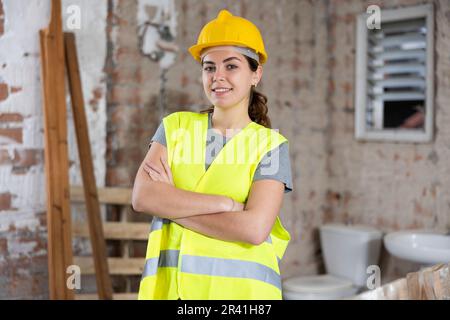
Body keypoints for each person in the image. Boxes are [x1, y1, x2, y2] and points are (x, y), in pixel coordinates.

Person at [132, 9, 293, 300]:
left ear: (256, 73)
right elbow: (143, 198)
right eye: (209, 67)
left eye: (231, 66)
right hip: (172, 292)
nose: (218, 77)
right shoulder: (175, 127)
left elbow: (254, 229)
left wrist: (172, 205)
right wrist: (225, 204)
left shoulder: (270, 145)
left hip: (243, 296)